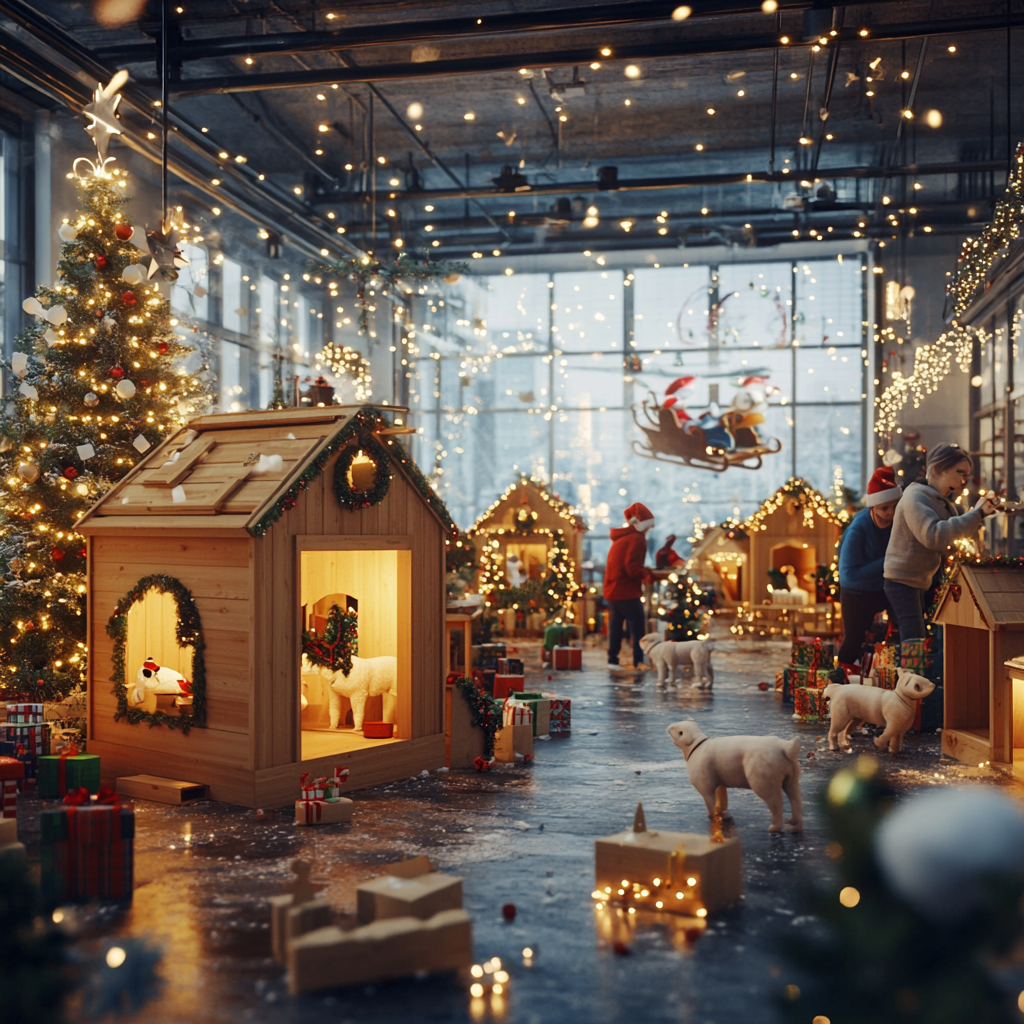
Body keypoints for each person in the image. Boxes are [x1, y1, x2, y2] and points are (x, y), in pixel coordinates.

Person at [883, 442, 997, 642]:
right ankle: (910, 673)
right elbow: (934, 536)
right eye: (960, 473)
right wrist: (977, 514)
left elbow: (950, 537)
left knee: (926, 637)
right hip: (902, 581)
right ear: (937, 469)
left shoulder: (940, 500)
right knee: (914, 640)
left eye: (966, 476)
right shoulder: (915, 497)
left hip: (921, 580)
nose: (963, 481)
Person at [837, 466, 902, 672]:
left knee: (896, 636)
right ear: (873, 507)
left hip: (886, 588)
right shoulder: (858, 529)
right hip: (856, 593)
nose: (891, 514)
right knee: (853, 640)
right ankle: (841, 682)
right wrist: (889, 561)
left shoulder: (899, 523)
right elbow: (848, 577)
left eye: (895, 507)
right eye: (884, 509)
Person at [604, 502, 655, 668]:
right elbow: (631, 567)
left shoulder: (621, 538)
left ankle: (613, 659)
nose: (649, 530)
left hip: (612, 590)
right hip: (626, 591)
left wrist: (643, 570)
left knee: (616, 625)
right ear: (642, 525)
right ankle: (638, 660)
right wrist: (646, 575)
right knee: (638, 626)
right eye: (649, 526)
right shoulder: (637, 539)